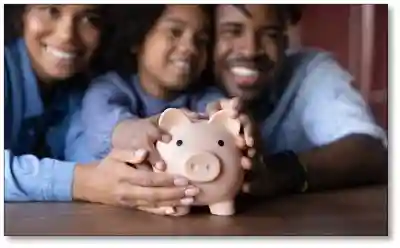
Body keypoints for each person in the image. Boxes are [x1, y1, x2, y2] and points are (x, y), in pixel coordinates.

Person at [5, 5, 194, 211]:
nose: (67, 34)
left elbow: (81, 150)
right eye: (52, 10)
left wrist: (135, 172)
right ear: (20, 14)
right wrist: (83, 182)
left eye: (89, 18)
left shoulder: (85, 87)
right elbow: (88, 177)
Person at [207, 4, 388, 197]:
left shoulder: (311, 73)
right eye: (232, 32)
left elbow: (372, 152)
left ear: (285, 43)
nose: (251, 50)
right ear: (208, 41)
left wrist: (279, 172)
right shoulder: (186, 81)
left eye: (270, 34)